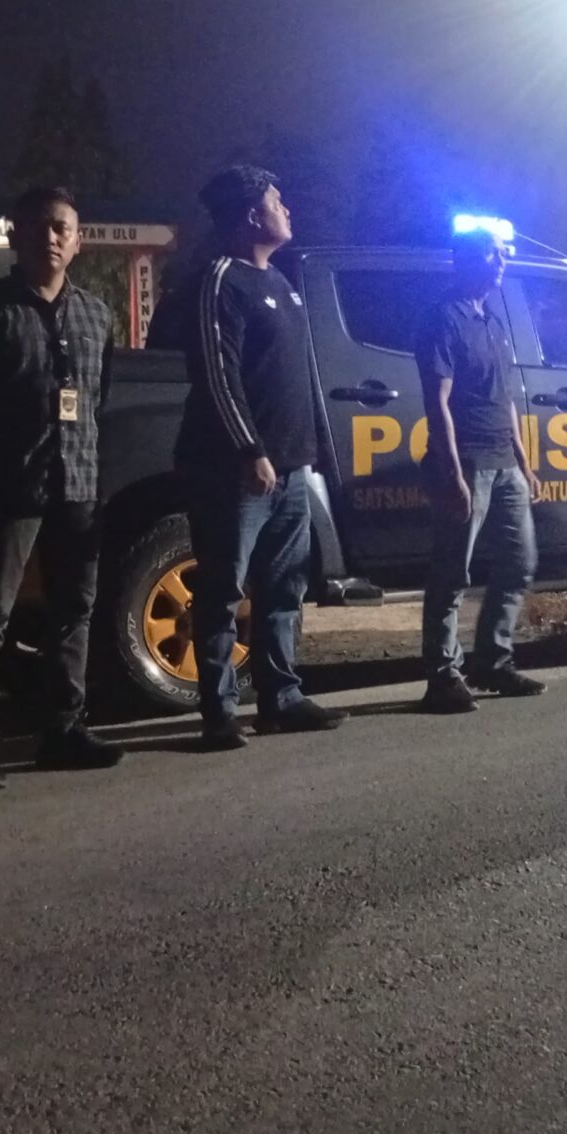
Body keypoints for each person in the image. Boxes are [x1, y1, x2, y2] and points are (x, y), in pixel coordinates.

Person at [0, 185, 124, 791]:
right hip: (7, 491)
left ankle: (63, 731)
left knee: (74, 612)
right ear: (15, 235)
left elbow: (98, 398)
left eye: (63, 227)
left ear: (78, 241)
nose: (51, 237)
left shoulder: (97, 315)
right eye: (39, 226)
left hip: (77, 484)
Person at [172, 164, 347, 744]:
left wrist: (314, 450)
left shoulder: (282, 284)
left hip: (291, 468)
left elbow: (299, 377)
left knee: (284, 587)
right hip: (236, 473)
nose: (287, 210)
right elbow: (218, 376)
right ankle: (219, 711)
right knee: (223, 590)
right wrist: (250, 449)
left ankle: (281, 698)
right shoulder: (221, 280)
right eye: (277, 201)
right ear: (252, 215)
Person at [414, 223, 546, 712]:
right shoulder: (442, 318)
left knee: (519, 563)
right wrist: (452, 473)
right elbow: (438, 403)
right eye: (492, 254)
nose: (501, 261)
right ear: (465, 260)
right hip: (467, 464)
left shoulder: (492, 320)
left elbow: (506, 398)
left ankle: (494, 662)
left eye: (503, 253)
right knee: (452, 573)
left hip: (505, 464)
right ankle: (442, 677)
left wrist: (524, 462)